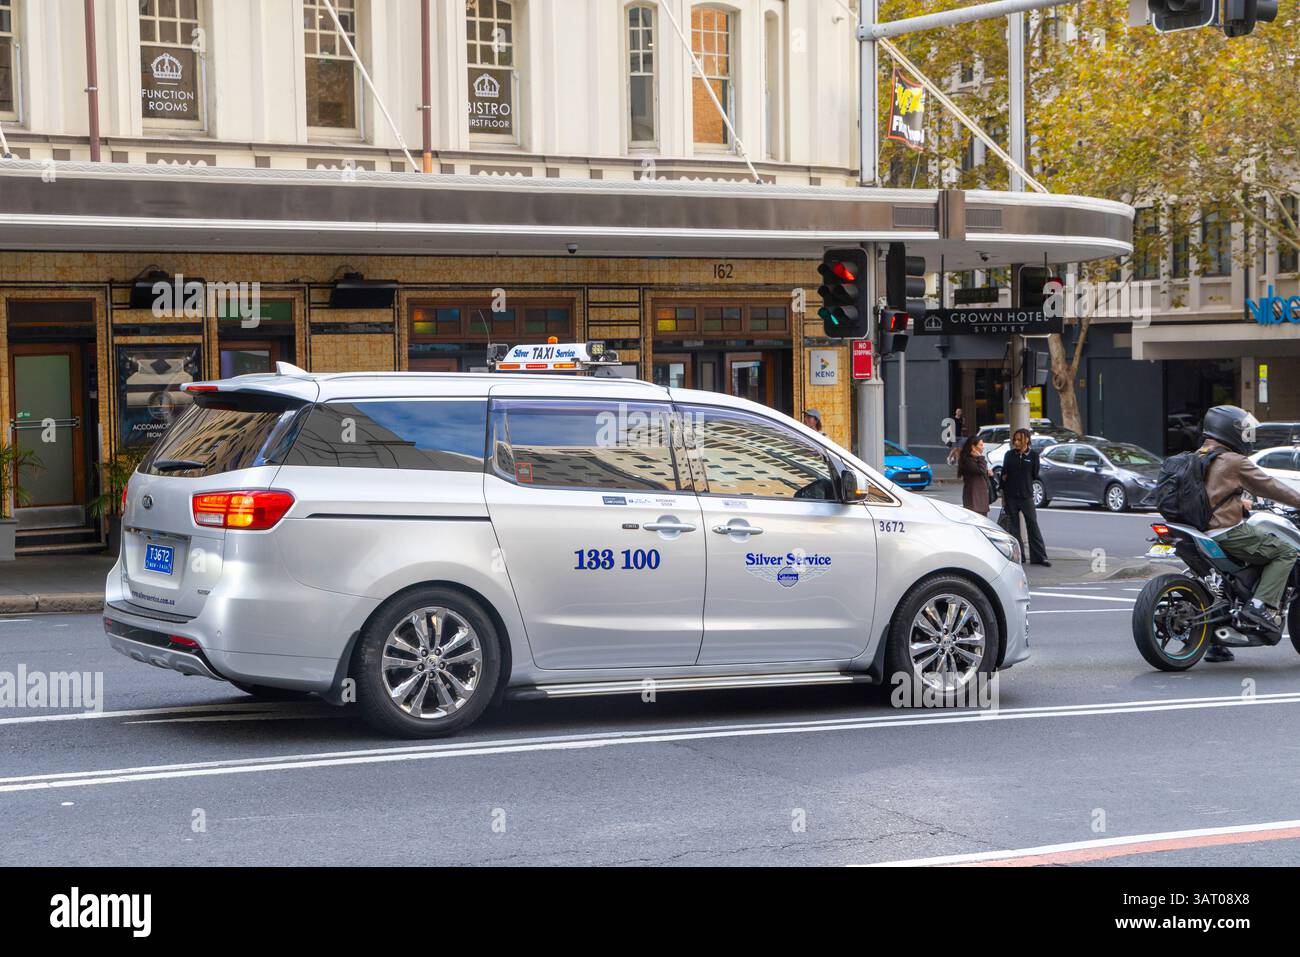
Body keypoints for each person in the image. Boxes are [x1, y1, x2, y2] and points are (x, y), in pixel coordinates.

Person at [1197, 405, 1300, 662]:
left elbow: (1205, 493)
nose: (1246, 437)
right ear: (1227, 432)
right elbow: (1271, 487)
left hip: (1198, 531)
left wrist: (1238, 502)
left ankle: (1216, 643)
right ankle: (1258, 607)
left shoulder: (1196, 456)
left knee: (1222, 583)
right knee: (1286, 552)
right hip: (1226, 531)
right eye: (1243, 432)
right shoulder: (1234, 461)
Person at [1001, 428, 1050, 566]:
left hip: (1026, 495)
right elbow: (1004, 474)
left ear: (1027, 440)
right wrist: (1004, 496)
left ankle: (1040, 557)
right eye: (1014, 440)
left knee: (1032, 524)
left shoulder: (1033, 456)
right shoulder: (1009, 455)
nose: (1016, 442)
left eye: (1019, 440)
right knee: (1014, 527)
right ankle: (1019, 556)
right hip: (1011, 496)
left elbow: (1034, 474)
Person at [958, 435, 992, 516]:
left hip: (980, 498)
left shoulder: (974, 459)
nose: (982, 447)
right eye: (980, 445)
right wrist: (981, 458)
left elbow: (980, 472)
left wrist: (988, 472)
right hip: (974, 499)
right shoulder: (967, 460)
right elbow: (980, 470)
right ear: (973, 447)